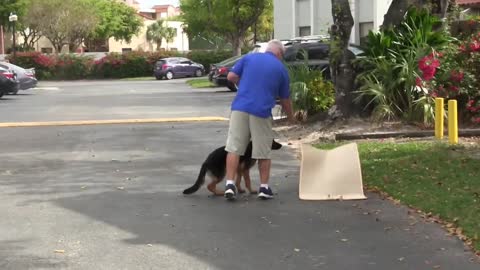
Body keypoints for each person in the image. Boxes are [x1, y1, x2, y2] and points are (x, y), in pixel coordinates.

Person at [223, 39, 295, 201]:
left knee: (234, 147)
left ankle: (229, 184)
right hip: (261, 112)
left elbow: (231, 76)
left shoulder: (249, 58)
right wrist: (291, 118)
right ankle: (264, 187)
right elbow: (285, 99)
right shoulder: (281, 69)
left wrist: (244, 85)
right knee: (262, 151)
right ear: (279, 53)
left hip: (239, 108)